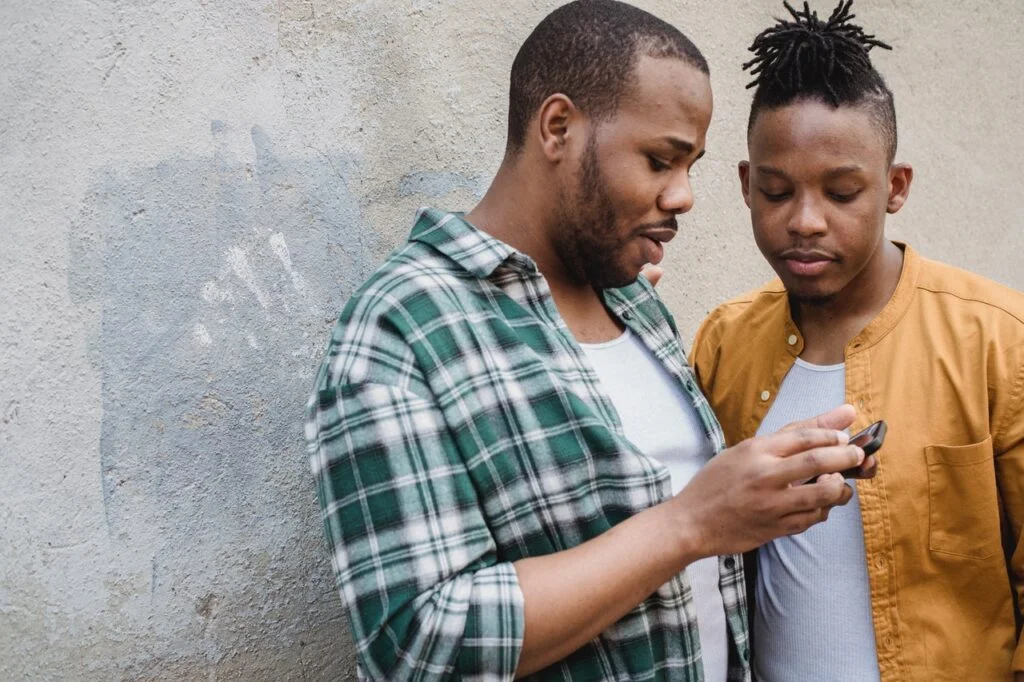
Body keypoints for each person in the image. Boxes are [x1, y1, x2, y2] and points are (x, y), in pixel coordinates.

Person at [305, 1, 869, 679]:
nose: (684, 196)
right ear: (559, 127)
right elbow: (418, 643)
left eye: (690, 166)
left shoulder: (634, 300)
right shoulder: (402, 326)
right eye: (661, 160)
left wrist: (773, 488)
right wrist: (689, 523)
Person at [689, 2, 1024, 680]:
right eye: (778, 192)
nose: (805, 221)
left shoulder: (997, 342)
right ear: (747, 187)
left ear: (894, 187)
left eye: (842, 193)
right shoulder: (723, 345)